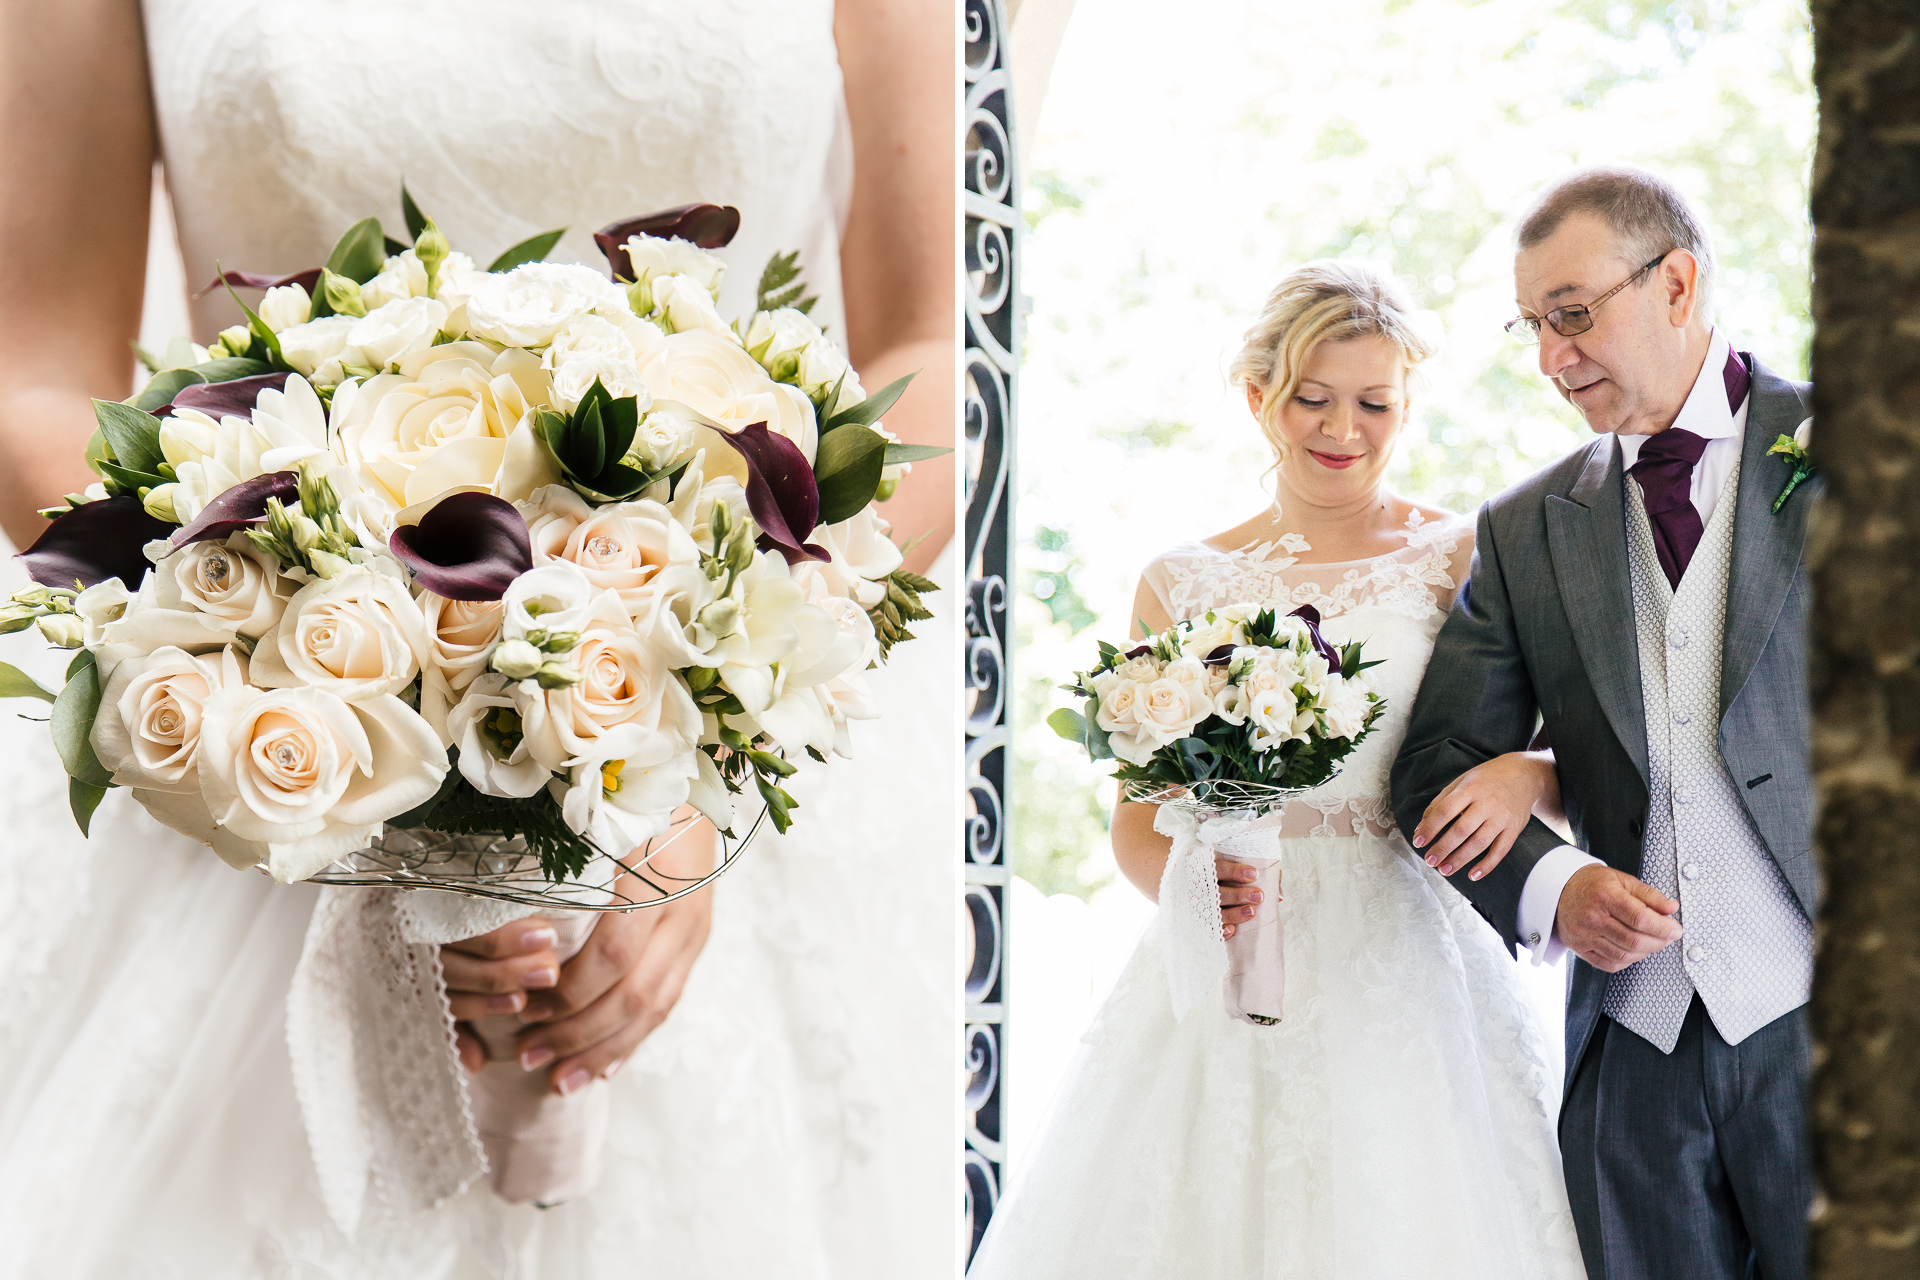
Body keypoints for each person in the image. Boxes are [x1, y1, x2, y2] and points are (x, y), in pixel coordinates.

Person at [0, 0, 955, 1274]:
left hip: (744, 763)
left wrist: (693, 729)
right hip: (270, 736)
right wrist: (336, 696)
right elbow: (38, 373)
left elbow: (929, 348)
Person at [968, 260, 1587, 1278]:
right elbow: (1138, 818)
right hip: (1232, 959)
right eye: (1314, 397)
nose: (1344, 428)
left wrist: (1532, 774)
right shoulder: (1181, 582)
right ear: (1258, 395)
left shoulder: (1463, 554)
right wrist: (1194, 888)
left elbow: (1581, 735)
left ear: (1406, 403)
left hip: (1406, 956)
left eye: (1373, 402)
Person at [1392, 166, 1817, 1280]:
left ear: (1677, 282)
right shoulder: (1527, 526)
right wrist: (1557, 885)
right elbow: (1434, 762)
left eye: (1572, 313)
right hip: (1636, 1055)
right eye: (1533, 324)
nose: (1550, 355)